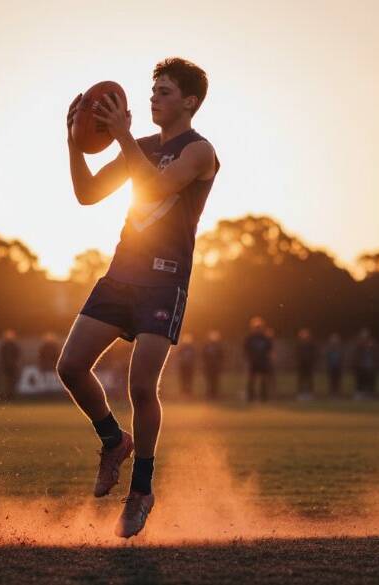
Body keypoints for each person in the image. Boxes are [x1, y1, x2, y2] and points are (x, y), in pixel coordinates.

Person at [58, 58, 218, 538]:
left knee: (142, 386)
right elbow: (87, 194)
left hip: (165, 280)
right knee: (69, 366)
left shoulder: (200, 151)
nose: (153, 98)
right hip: (122, 273)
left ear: (189, 101)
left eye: (164, 92)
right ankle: (113, 440)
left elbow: (154, 184)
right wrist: (73, 144)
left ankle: (142, 490)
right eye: (153, 91)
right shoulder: (141, 145)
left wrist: (123, 136)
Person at [244, 317, 273, 403]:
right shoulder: (250, 338)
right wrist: (248, 359)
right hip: (253, 362)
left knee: (263, 380)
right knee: (251, 380)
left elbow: (270, 349)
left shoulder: (265, 338)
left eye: (259, 327)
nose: (258, 328)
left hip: (263, 362)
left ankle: (263, 397)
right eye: (256, 327)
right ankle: (250, 397)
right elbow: (246, 349)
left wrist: (268, 359)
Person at [352, 328, 377, 398]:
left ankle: (369, 394)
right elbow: (356, 354)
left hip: (369, 366)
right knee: (360, 381)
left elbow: (375, 352)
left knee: (369, 381)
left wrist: (371, 346)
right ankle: (358, 395)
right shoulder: (359, 344)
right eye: (363, 335)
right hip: (361, 366)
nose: (365, 337)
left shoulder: (372, 343)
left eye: (366, 335)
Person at [201, 330, 225, 400]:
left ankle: (214, 393)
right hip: (208, 366)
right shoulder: (206, 346)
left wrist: (220, 364)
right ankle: (209, 393)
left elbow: (222, 356)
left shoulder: (219, 346)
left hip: (216, 366)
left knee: (215, 380)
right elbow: (203, 355)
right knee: (209, 380)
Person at [0, 329, 21, 400]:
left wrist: (15, 363)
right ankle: (5, 396)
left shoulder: (14, 345)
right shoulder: (4, 345)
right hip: (5, 366)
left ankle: (12, 395)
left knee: (12, 382)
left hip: (13, 366)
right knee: (5, 382)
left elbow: (18, 355)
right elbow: (1, 355)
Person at [295, 328, 317, 400]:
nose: (305, 336)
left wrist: (312, 361)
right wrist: (298, 361)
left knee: (309, 379)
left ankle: (310, 394)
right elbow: (296, 354)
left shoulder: (311, 344)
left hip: (309, 364)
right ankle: (300, 394)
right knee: (301, 380)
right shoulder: (299, 344)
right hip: (301, 365)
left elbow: (314, 353)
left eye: (306, 334)